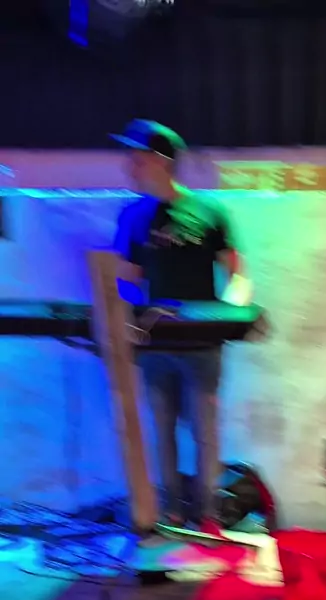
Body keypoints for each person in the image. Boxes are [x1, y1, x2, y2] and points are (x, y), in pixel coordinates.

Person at [112, 119, 252, 532]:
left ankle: (207, 515)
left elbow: (238, 274)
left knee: (205, 431)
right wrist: (125, 312)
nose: (130, 164)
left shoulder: (209, 212)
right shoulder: (133, 216)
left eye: (137, 156)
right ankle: (171, 512)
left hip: (201, 346)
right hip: (155, 344)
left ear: (161, 160)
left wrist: (229, 314)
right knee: (163, 429)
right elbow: (128, 279)